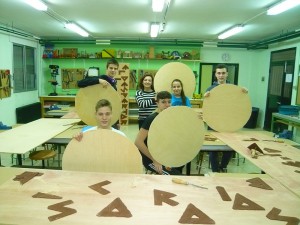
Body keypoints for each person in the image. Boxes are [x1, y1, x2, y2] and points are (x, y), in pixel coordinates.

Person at [204, 64, 248, 173]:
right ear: (215, 74)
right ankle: (215, 170)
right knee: (212, 148)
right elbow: (207, 107)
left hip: (229, 123)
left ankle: (223, 167)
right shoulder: (210, 89)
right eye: (219, 73)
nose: (221, 75)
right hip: (213, 122)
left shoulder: (233, 89)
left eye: (223, 73)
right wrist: (205, 98)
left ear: (227, 74)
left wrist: (244, 94)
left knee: (229, 147)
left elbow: (239, 105)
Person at [134, 91, 181, 175]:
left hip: (163, 156)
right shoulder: (151, 119)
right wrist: (154, 160)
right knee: (174, 176)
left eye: (169, 102)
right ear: (157, 103)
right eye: (163, 102)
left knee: (179, 168)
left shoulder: (170, 118)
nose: (167, 105)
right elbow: (138, 142)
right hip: (150, 159)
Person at [77, 58, 120, 129]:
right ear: (107, 68)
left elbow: (114, 103)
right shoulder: (102, 78)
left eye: (115, 69)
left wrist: (117, 121)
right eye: (111, 68)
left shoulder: (113, 82)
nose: (113, 70)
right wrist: (98, 80)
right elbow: (80, 83)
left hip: (110, 118)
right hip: (101, 118)